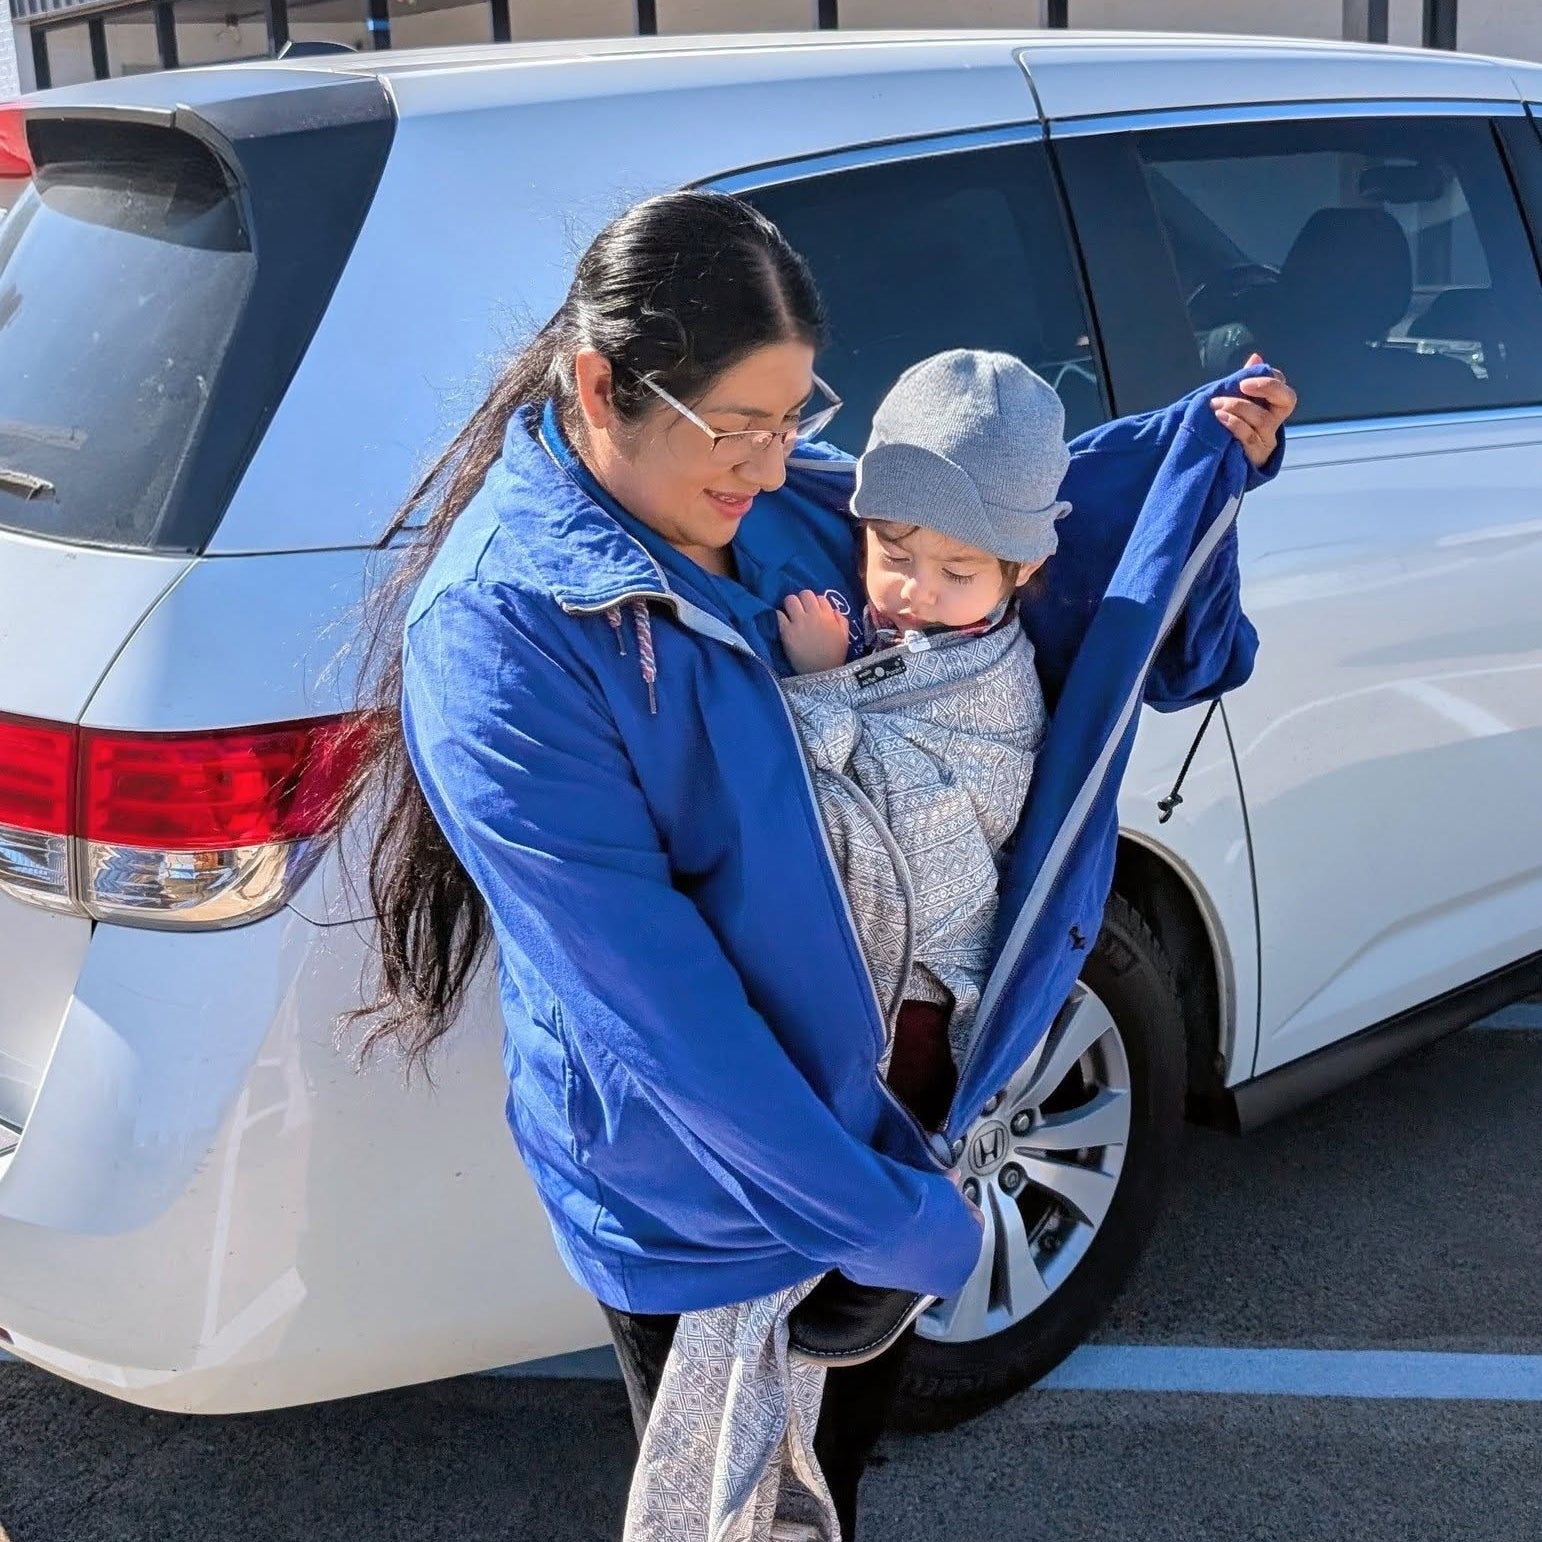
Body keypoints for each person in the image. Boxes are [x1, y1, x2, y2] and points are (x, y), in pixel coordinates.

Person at [346, 188, 1295, 1540]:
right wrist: (892, 1221)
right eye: (739, 426)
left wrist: (1206, 451)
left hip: (890, 1129)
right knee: (736, 1502)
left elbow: (1002, 535)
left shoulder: (766, 504)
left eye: (797, 418)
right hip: (718, 1187)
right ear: (604, 385)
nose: (775, 464)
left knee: (828, 1479)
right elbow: (658, 1013)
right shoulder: (502, 636)